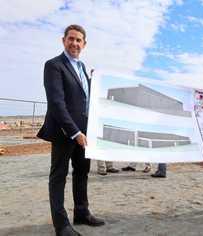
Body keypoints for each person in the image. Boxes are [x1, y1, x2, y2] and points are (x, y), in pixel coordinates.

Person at [37, 24, 104, 236]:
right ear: (63, 40)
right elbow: (57, 102)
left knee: (82, 173)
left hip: (85, 133)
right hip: (65, 132)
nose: (75, 43)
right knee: (58, 176)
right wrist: (74, 132)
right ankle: (61, 225)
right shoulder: (54, 65)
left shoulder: (83, 67)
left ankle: (82, 213)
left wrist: (97, 81)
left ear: (84, 44)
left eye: (79, 40)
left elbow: (84, 98)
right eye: (71, 39)